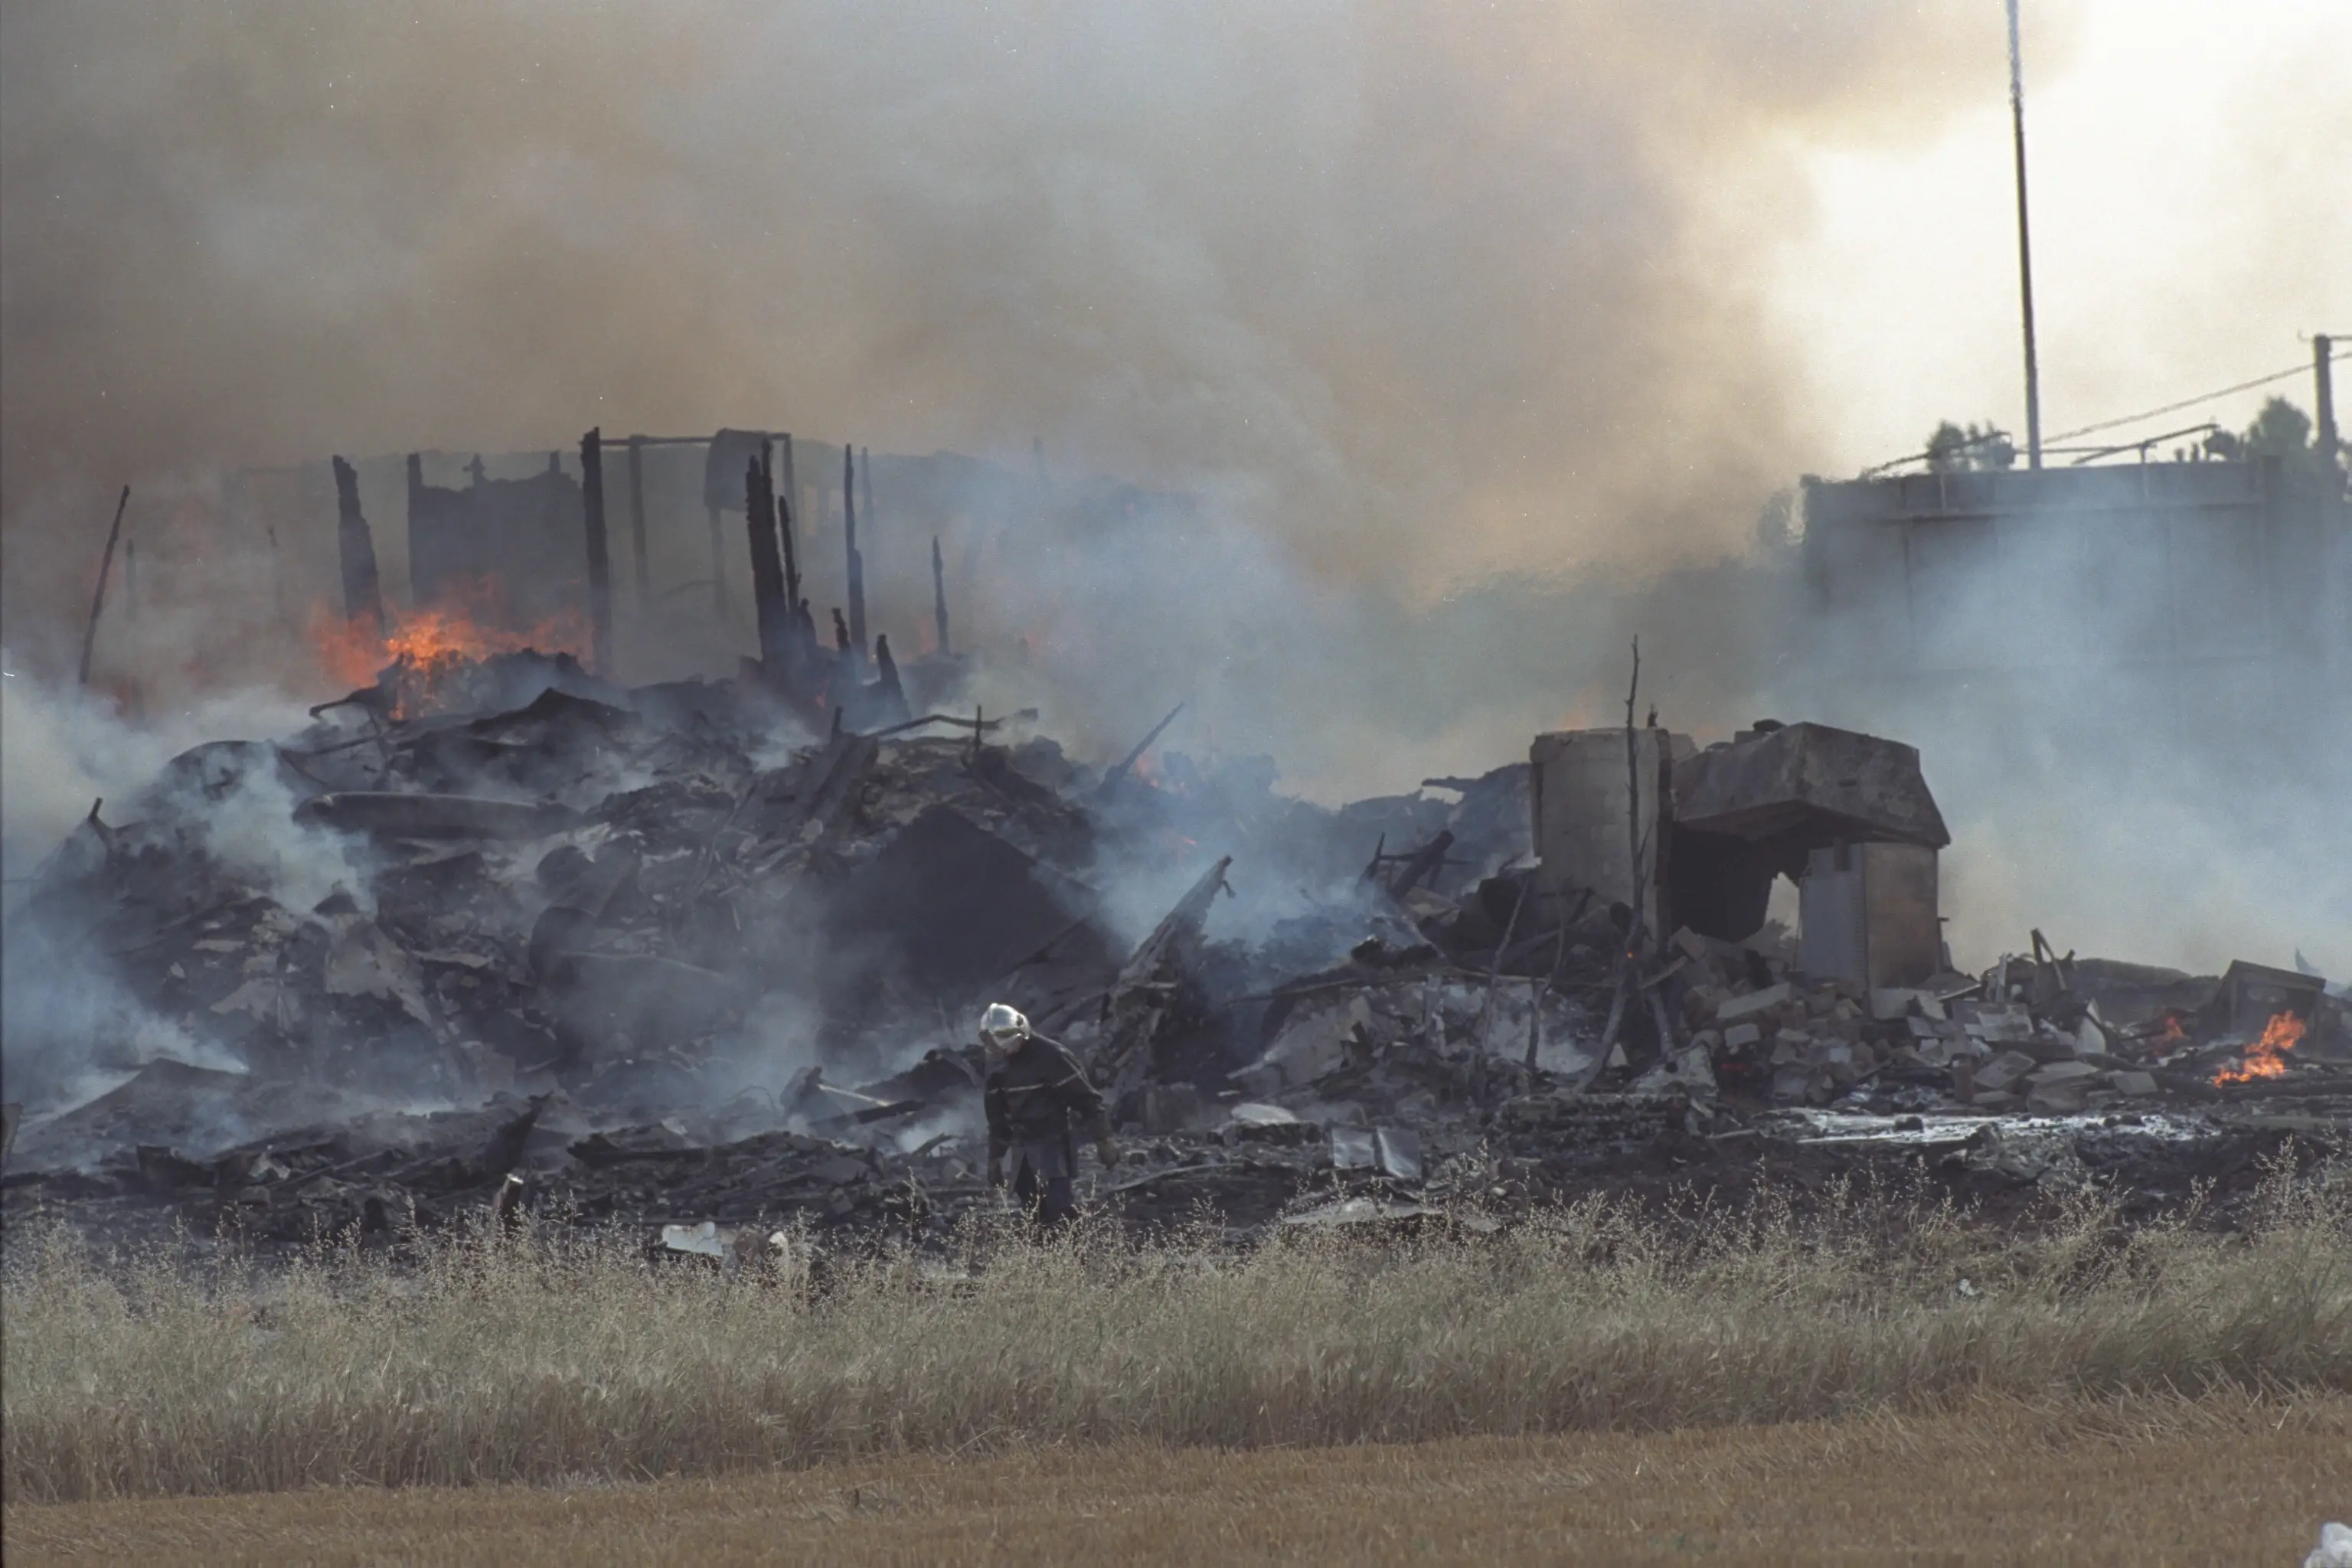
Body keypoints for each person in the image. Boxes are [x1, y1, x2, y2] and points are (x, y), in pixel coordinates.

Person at [979, 1003, 1117, 1227]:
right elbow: (997, 1120)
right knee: (1032, 1213)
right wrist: (995, 1158)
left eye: (1006, 1039)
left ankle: (1071, 1258)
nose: (1002, 1048)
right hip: (1022, 1146)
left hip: (1052, 1141)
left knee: (1060, 1211)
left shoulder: (1052, 1056)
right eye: (995, 1042)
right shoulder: (997, 1064)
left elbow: (1086, 1100)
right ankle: (1042, 1259)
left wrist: (1104, 1140)